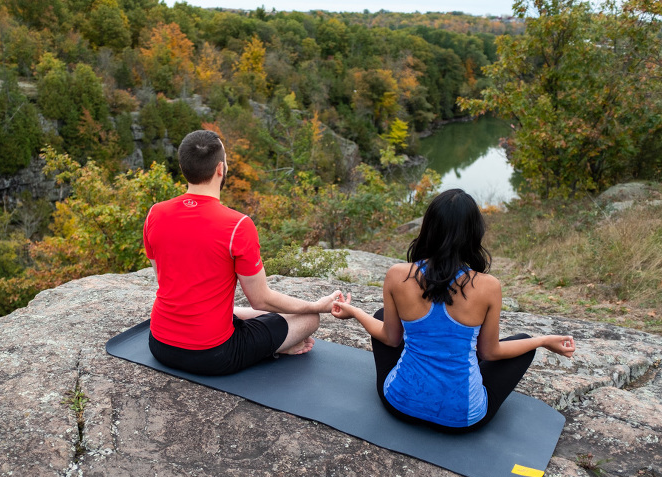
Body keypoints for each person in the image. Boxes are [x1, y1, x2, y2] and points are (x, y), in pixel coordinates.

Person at [331, 189, 576, 433]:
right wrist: (542, 340)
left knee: (383, 316)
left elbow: (390, 338)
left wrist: (354, 311)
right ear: (473, 234)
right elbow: (489, 352)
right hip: (462, 420)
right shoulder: (489, 286)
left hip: (400, 405)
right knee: (525, 343)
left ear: (428, 228)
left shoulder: (397, 275)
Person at [143, 129, 343, 376]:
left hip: (160, 344)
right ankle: (276, 348)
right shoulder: (237, 225)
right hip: (213, 354)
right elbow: (261, 299)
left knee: (264, 313)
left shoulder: (155, 213)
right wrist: (317, 305)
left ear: (184, 168)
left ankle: (274, 343)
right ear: (220, 169)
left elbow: (164, 281)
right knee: (308, 318)